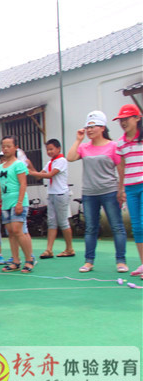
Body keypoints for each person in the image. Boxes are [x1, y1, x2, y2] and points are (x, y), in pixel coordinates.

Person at [66, 110, 127, 273]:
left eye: (93, 127)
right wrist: (78, 139)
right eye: (87, 127)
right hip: (89, 193)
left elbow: (121, 169)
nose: (89, 130)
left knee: (117, 227)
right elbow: (70, 157)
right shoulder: (84, 147)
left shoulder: (113, 146)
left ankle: (121, 261)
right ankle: (89, 261)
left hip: (110, 192)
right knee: (91, 228)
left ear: (102, 128)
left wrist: (121, 190)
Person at [0, 136, 35, 273]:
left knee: (18, 230)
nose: (5, 149)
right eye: (3, 146)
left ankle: (29, 259)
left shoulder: (19, 165)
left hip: (17, 202)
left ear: (16, 147)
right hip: (6, 203)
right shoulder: (0, 168)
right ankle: (15, 260)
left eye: (8, 146)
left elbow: (23, 184)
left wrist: (19, 203)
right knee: (10, 232)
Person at [28, 139, 75, 259]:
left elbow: (49, 175)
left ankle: (69, 249)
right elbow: (39, 176)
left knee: (63, 222)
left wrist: (31, 172)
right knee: (51, 222)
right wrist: (30, 166)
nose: (49, 152)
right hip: (52, 194)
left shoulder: (62, 161)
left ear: (58, 149)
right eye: (47, 149)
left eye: (51, 149)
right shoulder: (50, 162)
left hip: (61, 194)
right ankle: (49, 250)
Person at [114, 104, 143, 278]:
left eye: (126, 119)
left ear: (137, 118)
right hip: (131, 188)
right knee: (137, 226)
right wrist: (121, 189)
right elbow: (122, 168)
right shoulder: (120, 143)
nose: (123, 122)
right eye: (121, 120)